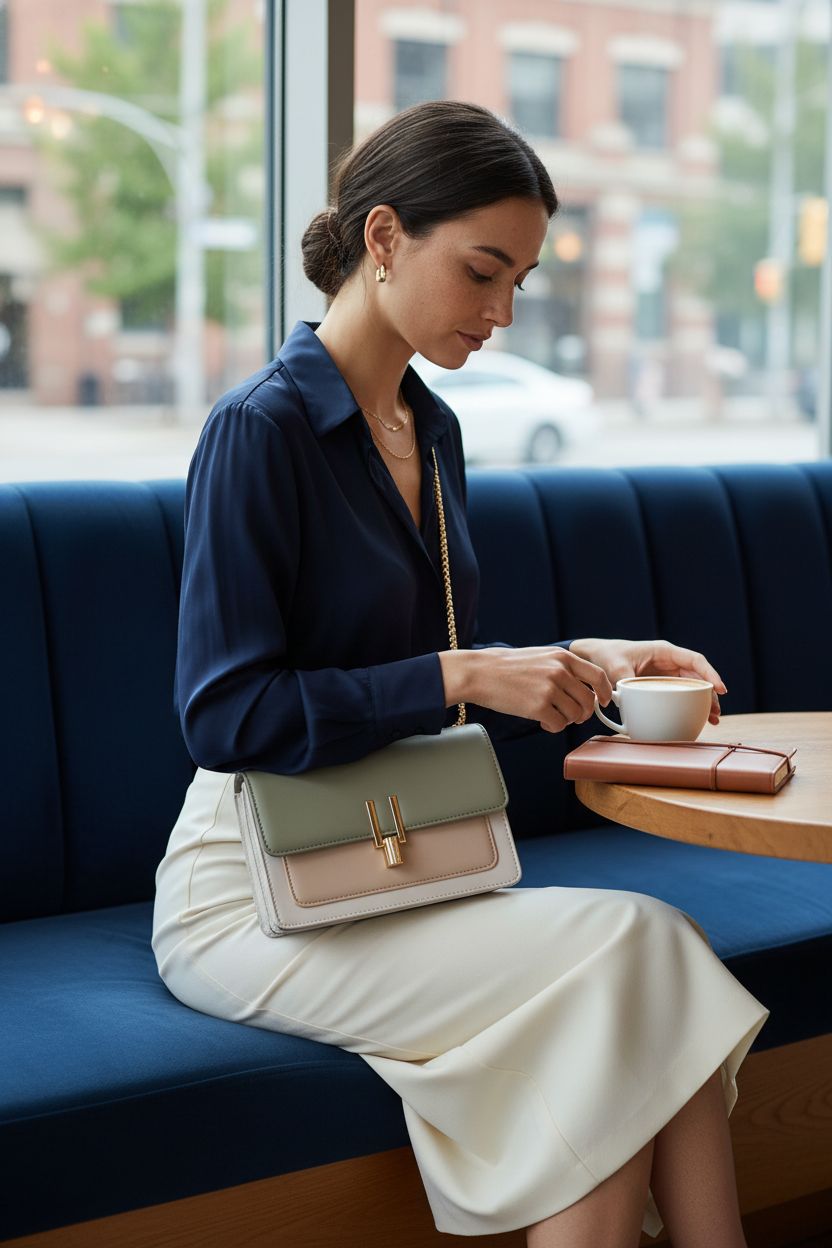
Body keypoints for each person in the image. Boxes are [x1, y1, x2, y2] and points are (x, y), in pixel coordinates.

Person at [152, 100, 769, 1248]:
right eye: (482, 271)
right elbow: (223, 712)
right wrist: (460, 677)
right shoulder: (261, 430)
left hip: (390, 861)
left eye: (522, 280)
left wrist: (592, 657)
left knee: (627, 1000)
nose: (502, 311)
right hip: (254, 891)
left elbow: (425, 653)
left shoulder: (428, 427)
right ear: (382, 238)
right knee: (641, 949)